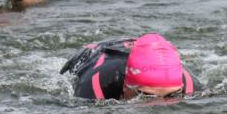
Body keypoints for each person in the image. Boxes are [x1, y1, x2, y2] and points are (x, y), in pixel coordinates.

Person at [60, 33, 201, 100]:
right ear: (125, 87)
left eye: (172, 96)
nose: (160, 106)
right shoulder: (94, 86)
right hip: (98, 52)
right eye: (146, 97)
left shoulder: (191, 88)